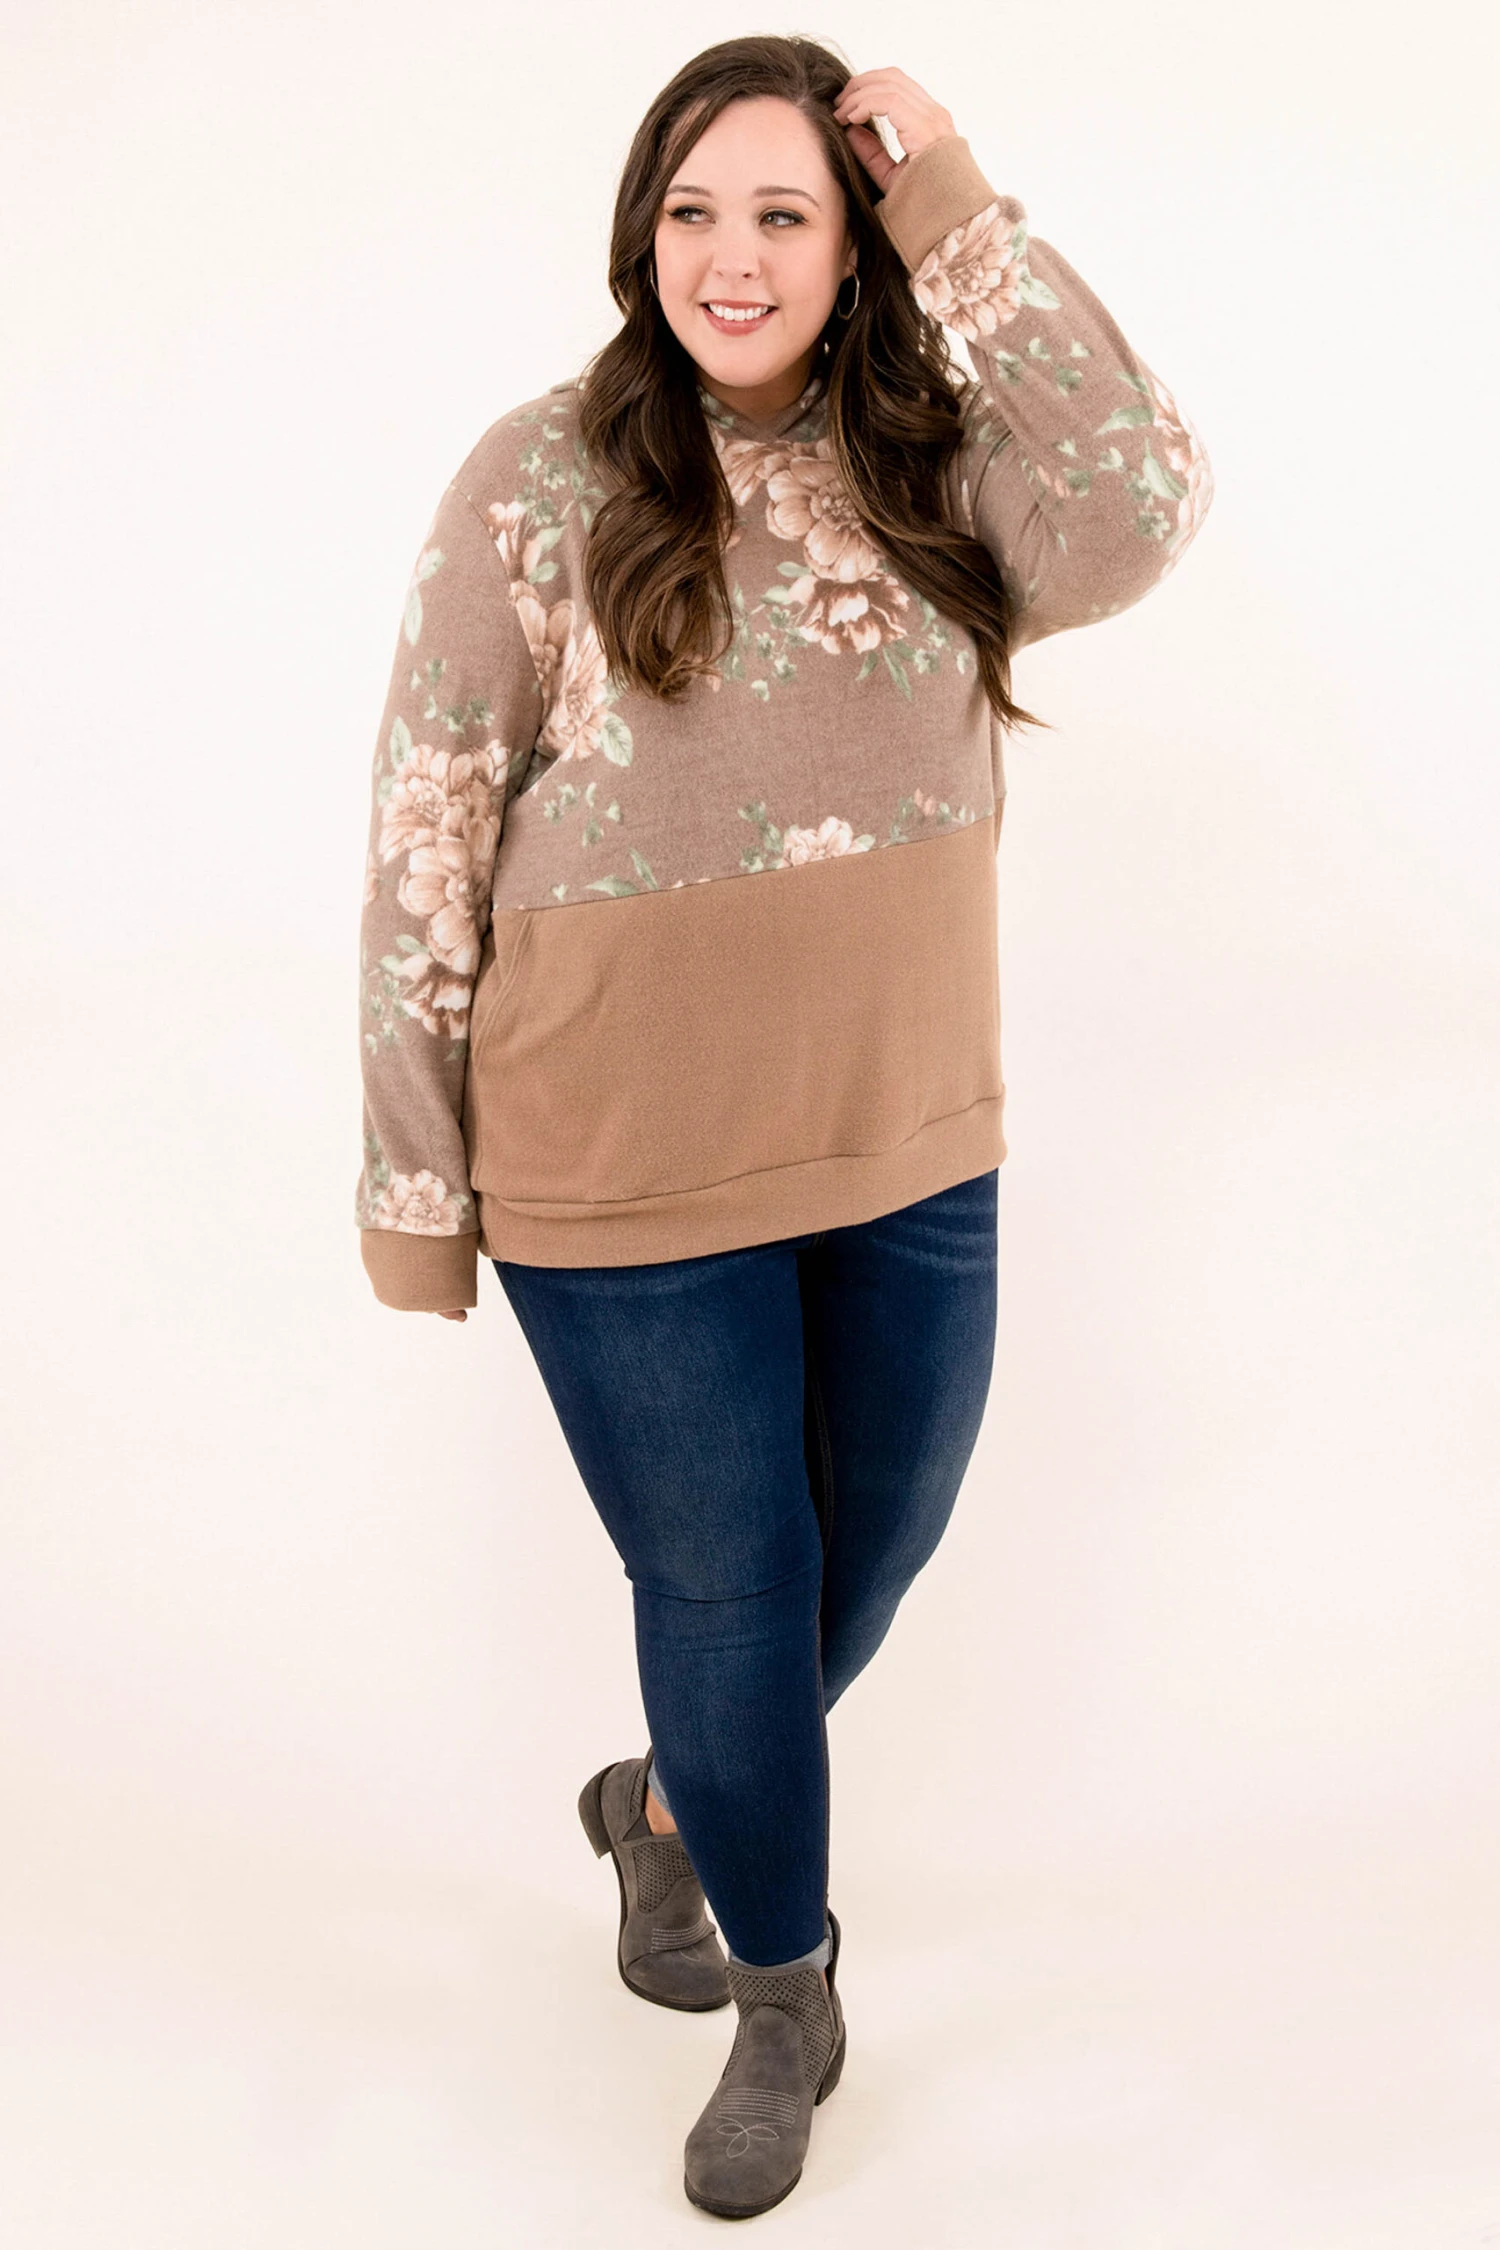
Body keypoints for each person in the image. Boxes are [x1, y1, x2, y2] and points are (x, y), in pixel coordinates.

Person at [353, 35, 1213, 2221]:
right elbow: (431, 820)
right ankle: (782, 1987)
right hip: (612, 1157)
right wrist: (413, 1177)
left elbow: (1142, 497)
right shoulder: (538, 475)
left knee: (875, 1541)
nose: (731, 258)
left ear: (852, 246)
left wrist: (950, 187)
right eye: (693, 212)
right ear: (641, 235)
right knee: (731, 1587)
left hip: (903, 1126)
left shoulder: (940, 471)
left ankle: (666, 1808)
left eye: (785, 213)